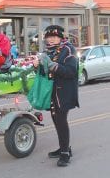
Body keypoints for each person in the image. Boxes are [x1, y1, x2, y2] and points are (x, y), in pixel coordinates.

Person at [33, 25, 79, 167]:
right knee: (56, 120)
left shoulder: (68, 50)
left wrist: (53, 65)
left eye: (55, 37)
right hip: (51, 92)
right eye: (49, 37)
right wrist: (37, 66)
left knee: (61, 120)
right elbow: (44, 74)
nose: (51, 39)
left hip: (64, 92)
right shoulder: (47, 51)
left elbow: (71, 72)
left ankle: (65, 153)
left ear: (60, 37)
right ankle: (63, 147)